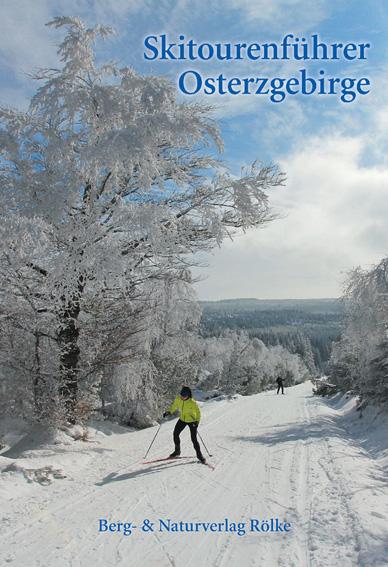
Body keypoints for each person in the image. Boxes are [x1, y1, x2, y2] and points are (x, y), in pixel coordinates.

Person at [163, 386, 206, 464]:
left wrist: (197, 422)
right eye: (181, 396)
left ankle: (199, 455)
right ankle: (177, 451)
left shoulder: (192, 402)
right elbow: (174, 406)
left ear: (188, 395)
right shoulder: (178, 399)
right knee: (175, 433)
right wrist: (169, 412)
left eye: (184, 396)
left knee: (194, 439)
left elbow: (198, 412)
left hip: (192, 421)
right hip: (182, 419)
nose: (182, 397)